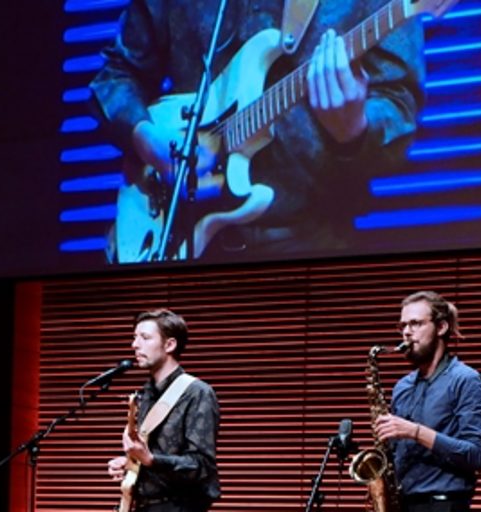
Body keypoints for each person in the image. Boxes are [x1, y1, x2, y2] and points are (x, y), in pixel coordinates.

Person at [89, 0, 426, 262]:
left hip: (310, 246)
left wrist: (354, 127)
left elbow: (398, 107)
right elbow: (116, 75)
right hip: (181, 235)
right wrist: (146, 138)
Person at [374, 291, 481, 512]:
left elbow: (477, 455)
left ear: (441, 327)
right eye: (402, 326)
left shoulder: (466, 380)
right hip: (403, 502)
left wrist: (415, 432)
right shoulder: (402, 387)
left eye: (415, 324)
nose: (407, 333)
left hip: (444, 503)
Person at [107, 309, 220, 512]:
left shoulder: (197, 393)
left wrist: (151, 460)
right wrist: (132, 464)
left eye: (145, 337)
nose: (135, 344)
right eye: (134, 337)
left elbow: (201, 465)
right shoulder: (146, 393)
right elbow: (154, 456)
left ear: (170, 344)